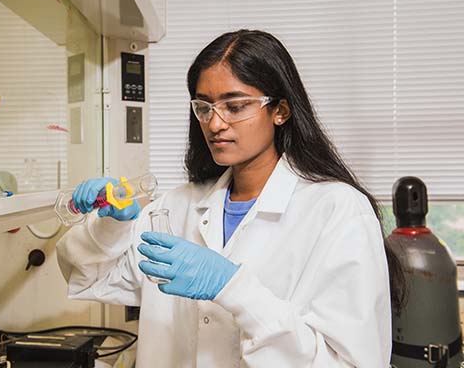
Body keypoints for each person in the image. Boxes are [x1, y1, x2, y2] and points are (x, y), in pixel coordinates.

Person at [56, 29, 403, 367]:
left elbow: (350, 362)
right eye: (204, 107)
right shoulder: (173, 209)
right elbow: (90, 279)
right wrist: (111, 227)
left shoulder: (337, 211)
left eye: (234, 106)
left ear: (280, 110)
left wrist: (234, 289)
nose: (215, 123)